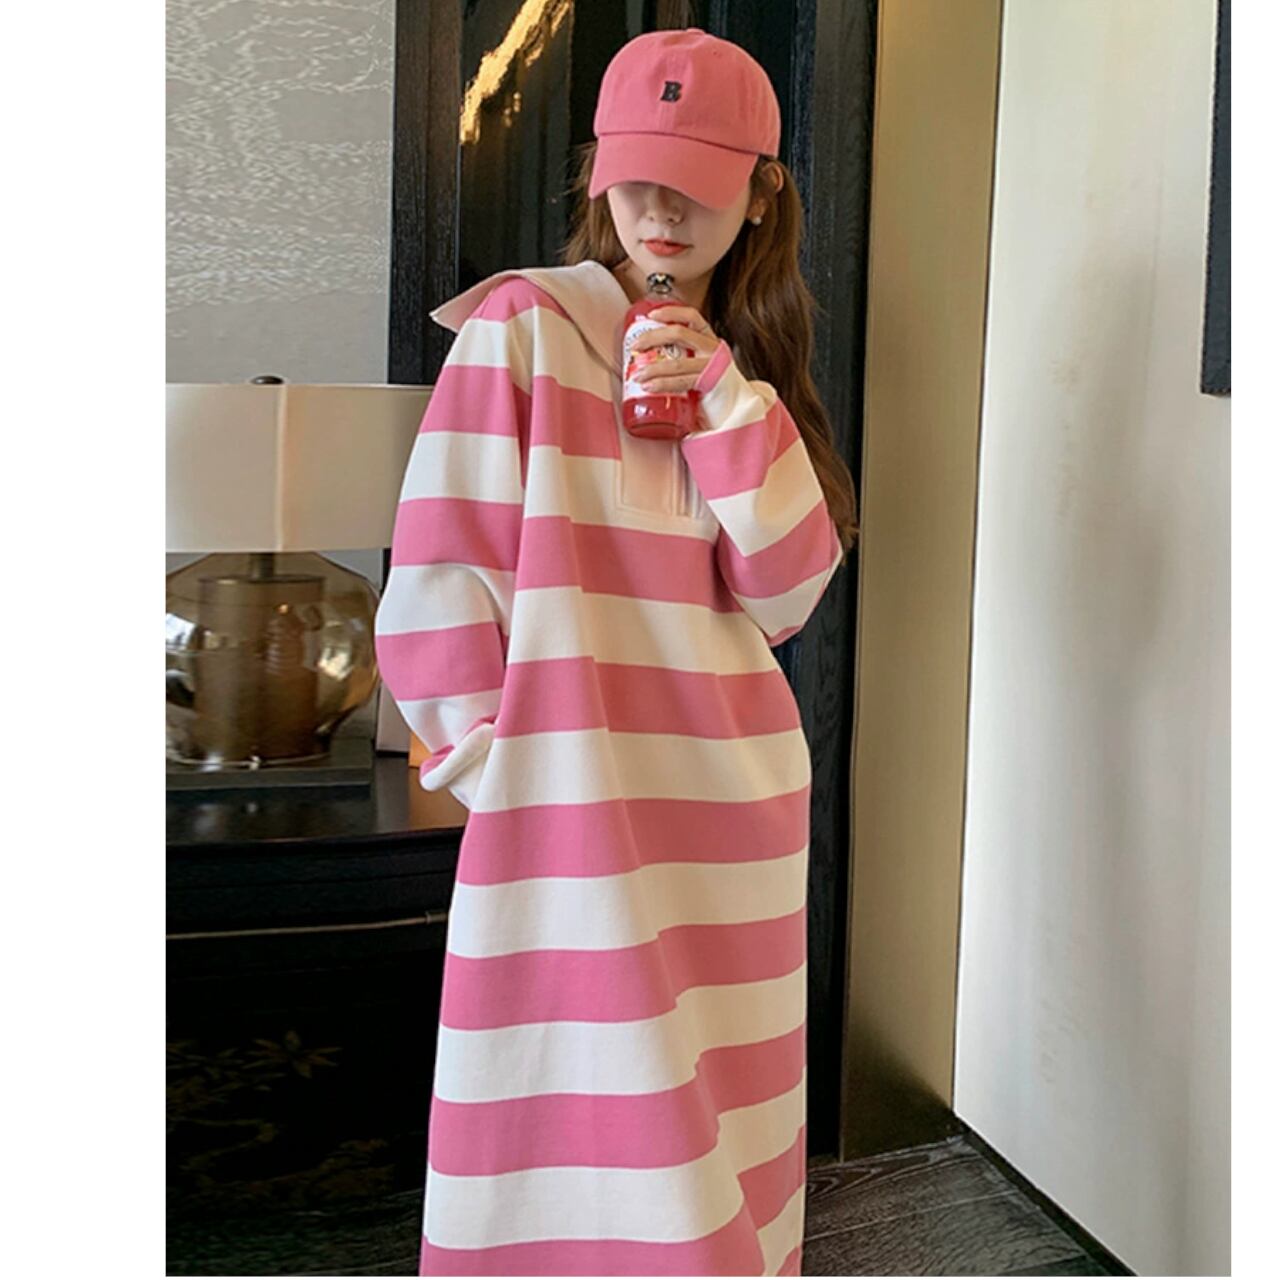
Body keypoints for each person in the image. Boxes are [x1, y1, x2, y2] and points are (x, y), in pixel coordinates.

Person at [373, 26, 858, 1277]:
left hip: (729, 808)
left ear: (759, 194)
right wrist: (488, 760)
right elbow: (441, 559)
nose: (659, 212)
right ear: (597, 172)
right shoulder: (522, 328)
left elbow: (788, 591)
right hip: (568, 797)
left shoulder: (745, 373)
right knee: (571, 1110)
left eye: (693, 185)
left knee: (719, 1124)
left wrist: (727, 405)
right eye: (635, 178)